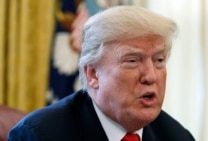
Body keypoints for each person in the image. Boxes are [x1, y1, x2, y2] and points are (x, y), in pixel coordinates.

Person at [8, 6, 195, 141]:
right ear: (93, 75)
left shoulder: (177, 136)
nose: (151, 76)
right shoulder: (39, 136)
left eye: (159, 61)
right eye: (132, 61)